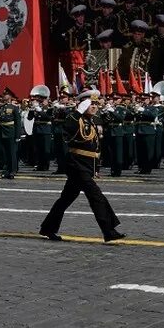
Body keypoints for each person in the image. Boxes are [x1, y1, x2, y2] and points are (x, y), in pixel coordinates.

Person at [39, 89, 126, 243]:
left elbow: (96, 146)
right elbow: (68, 128)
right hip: (77, 165)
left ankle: (48, 228)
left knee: (65, 199)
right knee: (96, 196)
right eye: (91, 104)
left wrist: (96, 168)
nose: (94, 106)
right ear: (83, 104)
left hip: (86, 166)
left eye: (95, 104)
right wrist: (78, 111)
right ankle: (109, 231)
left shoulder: (91, 120)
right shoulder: (75, 118)